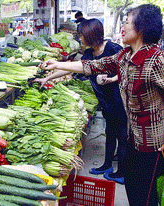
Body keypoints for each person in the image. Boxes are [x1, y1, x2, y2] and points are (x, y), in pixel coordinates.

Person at [40, 4, 164, 205]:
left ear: (141, 27)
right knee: (133, 189)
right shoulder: (125, 56)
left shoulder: (156, 60)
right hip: (134, 139)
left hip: (153, 146)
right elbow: (91, 65)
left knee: (146, 196)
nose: (122, 28)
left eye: (126, 22)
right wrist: (57, 64)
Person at [35, 18, 127, 184]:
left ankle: (122, 172)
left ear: (91, 34)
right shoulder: (89, 54)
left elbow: (127, 72)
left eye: (82, 35)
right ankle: (107, 165)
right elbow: (75, 66)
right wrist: (48, 77)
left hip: (118, 99)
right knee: (110, 133)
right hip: (105, 100)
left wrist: (113, 79)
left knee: (122, 135)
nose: (80, 39)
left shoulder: (114, 48)